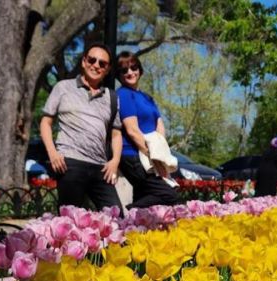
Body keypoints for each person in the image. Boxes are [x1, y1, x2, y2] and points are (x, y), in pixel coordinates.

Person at [40, 43, 123, 212]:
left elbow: (116, 134)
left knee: (116, 218)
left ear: (107, 69)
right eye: (92, 60)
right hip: (70, 163)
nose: (96, 65)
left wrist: (115, 161)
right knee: (69, 221)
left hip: (101, 167)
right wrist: (53, 153)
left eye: (102, 63)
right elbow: (45, 122)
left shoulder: (112, 97)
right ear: (84, 62)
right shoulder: (63, 87)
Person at [115, 51, 180, 208]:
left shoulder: (147, 98)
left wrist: (161, 154)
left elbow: (159, 125)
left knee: (146, 194)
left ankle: (134, 227)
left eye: (133, 67)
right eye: (124, 70)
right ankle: (131, 211)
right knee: (168, 195)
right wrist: (154, 157)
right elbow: (132, 130)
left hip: (151, 154)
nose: (130, 72)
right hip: (132, 155)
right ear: (119, 75)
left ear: (140, 70)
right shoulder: (123, 94)